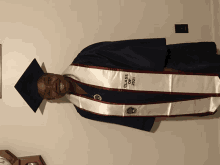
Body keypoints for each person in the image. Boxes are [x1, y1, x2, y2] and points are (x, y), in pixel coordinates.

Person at [15, 38, 220, 132]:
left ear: (50, 73)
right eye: (47, 94)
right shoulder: (84, 110)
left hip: (175, 69)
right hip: (168, 100)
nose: (53, 88)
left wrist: (171, 71)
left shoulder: (87, 57)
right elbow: (131, 117)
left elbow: (133, 51)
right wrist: (166, 111)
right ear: (51, 100)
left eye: (47, 81)